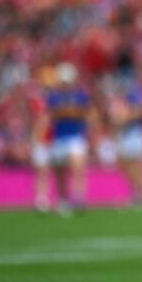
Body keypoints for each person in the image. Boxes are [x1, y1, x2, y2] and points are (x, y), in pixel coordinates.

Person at [46, 62, 93, 215]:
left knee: (77, 167)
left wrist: (67, 112)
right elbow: (55, 113)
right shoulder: (54, 96)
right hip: (59, 137)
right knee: (60, 170)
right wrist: (70, 112)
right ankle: (63, 199)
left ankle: (79, 197)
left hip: (75, 136)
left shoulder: (80, 95)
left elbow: (82, 113)